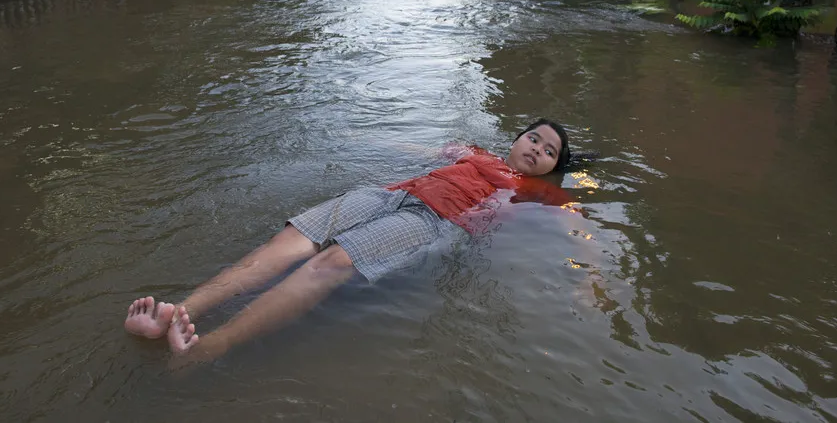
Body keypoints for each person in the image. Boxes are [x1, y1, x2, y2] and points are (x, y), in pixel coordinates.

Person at [125, 119, 577, 365]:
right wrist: (357, 134)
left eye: (549, 150)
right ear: (516, 137)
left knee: (333, 262)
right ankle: (179, 311)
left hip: (436, 219)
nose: (537, 148)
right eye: (533, 137)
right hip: (391, 194)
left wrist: (594, 278)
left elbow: (579, 230)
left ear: (553, 166)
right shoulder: (472, 152)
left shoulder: (540, 192)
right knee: (291, 242)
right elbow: (417, 154)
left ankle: (209, 349)